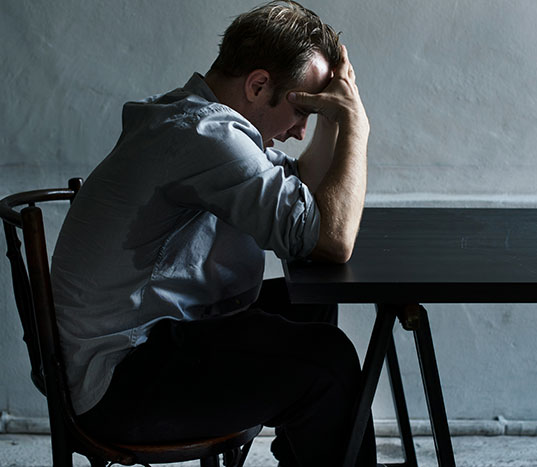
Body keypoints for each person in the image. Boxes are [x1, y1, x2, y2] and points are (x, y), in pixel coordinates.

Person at [50, 1, 374, 465]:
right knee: (330, 364)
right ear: (259, 85)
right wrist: (357, 129)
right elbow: (332, 240)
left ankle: (315, 454)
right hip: (120, 384)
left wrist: (332, 116)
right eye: (302, 108)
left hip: (140, 346)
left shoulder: (195, 119)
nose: (301, 130)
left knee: (312, 305)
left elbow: (304, 184)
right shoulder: (205, 135)